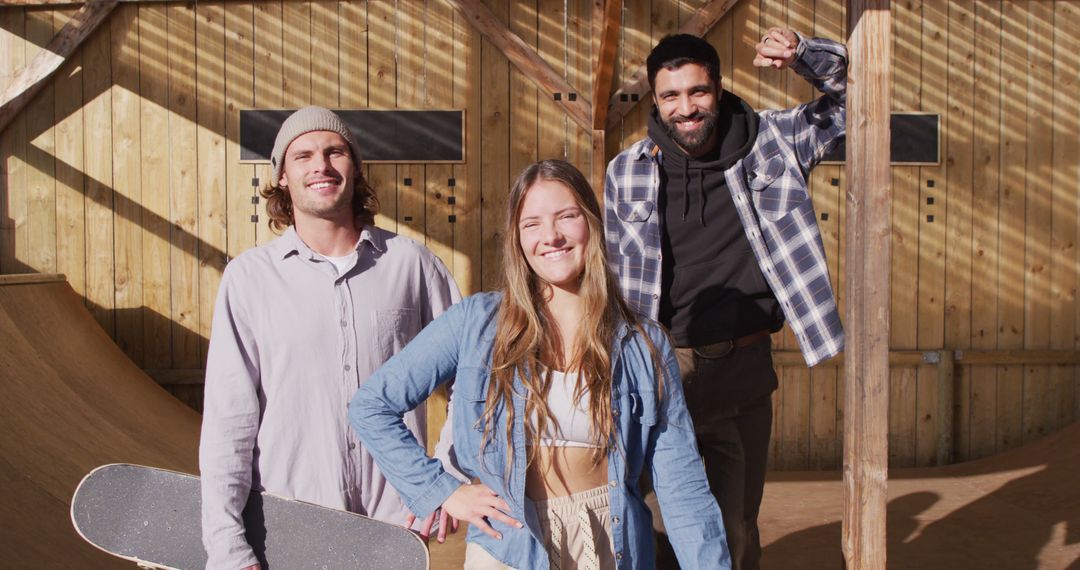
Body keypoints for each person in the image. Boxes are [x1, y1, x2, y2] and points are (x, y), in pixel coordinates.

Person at [349, 160, 731, 569]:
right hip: (508, 543)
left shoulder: (643, 343)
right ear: (517, 238)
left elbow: (683, 487)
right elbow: (371, 405)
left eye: (566, 216)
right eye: (532, 224)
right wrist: (441, 490)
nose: (551, 236)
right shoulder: (476, 322)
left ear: (592, 224)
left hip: (610, 541)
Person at [603, 29, 847, 569]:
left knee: (735, 527)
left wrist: (805, 56)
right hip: (667, 367)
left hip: (745, 365)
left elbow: (857, 100)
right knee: (660, 519)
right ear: (656, 100)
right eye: (670, 96)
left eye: (698, 92)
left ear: (718, 88)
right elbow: (618, 281)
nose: (685, 108)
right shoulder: (628, 172)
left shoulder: (777, 140)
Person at [199, 106, 461, 570]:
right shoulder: (249, 280)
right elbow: (228, 423)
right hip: (288, 527)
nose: (320, 165)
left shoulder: (411, 265)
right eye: (303, 156)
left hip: (394, 528)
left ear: (354, 167)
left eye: (334, 151)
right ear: (282, 175)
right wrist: (227, 548)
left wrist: (444, 479)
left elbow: (472, 381)